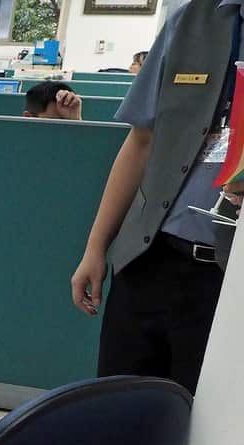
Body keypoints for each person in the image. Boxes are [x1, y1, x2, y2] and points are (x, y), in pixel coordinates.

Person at [70, 0, 239, 395]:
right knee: (121, 408)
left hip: (227, 280)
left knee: (208, 434)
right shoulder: (192, 21)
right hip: (151, 259)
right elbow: (141, 141)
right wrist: (96, 247)